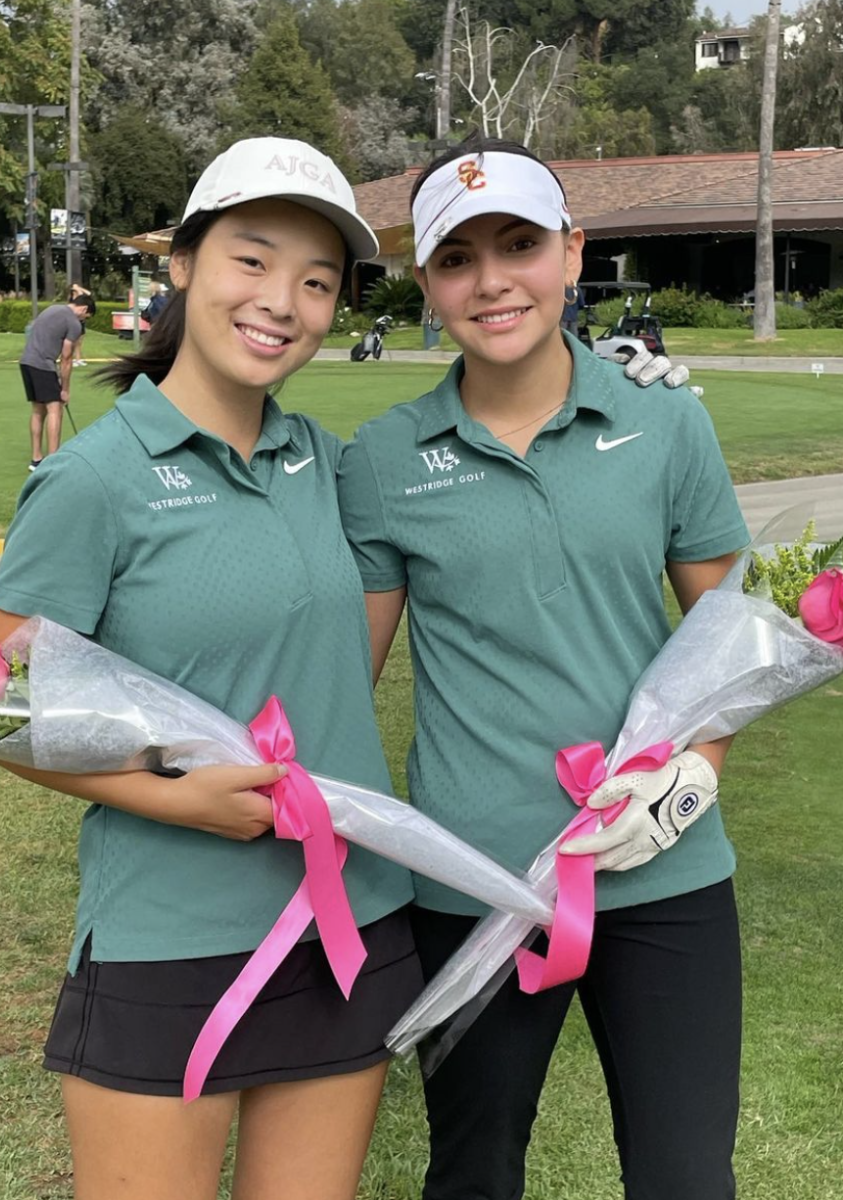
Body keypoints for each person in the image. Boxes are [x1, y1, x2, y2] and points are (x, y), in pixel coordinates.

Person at [0, 137, 421, 1200]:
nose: (284, 302)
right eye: (253, 262)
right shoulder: (94, 481)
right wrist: (182, 803)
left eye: (318, 282)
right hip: (167, 937)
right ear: (182, 264)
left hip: (344, 921)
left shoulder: (322, 461)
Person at [338, 134, 749, 1200]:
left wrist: (696, 763)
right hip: (474, 881)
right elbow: (344, 677)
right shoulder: (383, 460)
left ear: (572, 253)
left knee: (686, 1175)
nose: (492, 280)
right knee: (473, 1172)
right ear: (426, 283)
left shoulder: (667, 427)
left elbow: (734, 637)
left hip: (666, 870)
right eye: (458, 258)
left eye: (518, 243)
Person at [19, 291, 96, 471]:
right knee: (55, 409)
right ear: (83, 309)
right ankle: (53, 460)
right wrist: (65, 389)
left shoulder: (51, 309)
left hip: (26, 362)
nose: (84, 321)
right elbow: (67, 357)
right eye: (86, 317)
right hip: (43, 364)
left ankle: (36, 459)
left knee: (38, 410)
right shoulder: (74, 323)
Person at [68, 283, 92, 366]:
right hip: (75, 321)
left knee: (79, 342)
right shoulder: (74, 299)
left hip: (82, 322)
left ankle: (78, 359)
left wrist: (80, 287)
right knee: (74, 341)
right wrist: (77, 289)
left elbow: (89, 294)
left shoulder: (81, 296)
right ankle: (72, 359)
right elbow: (82, 296)